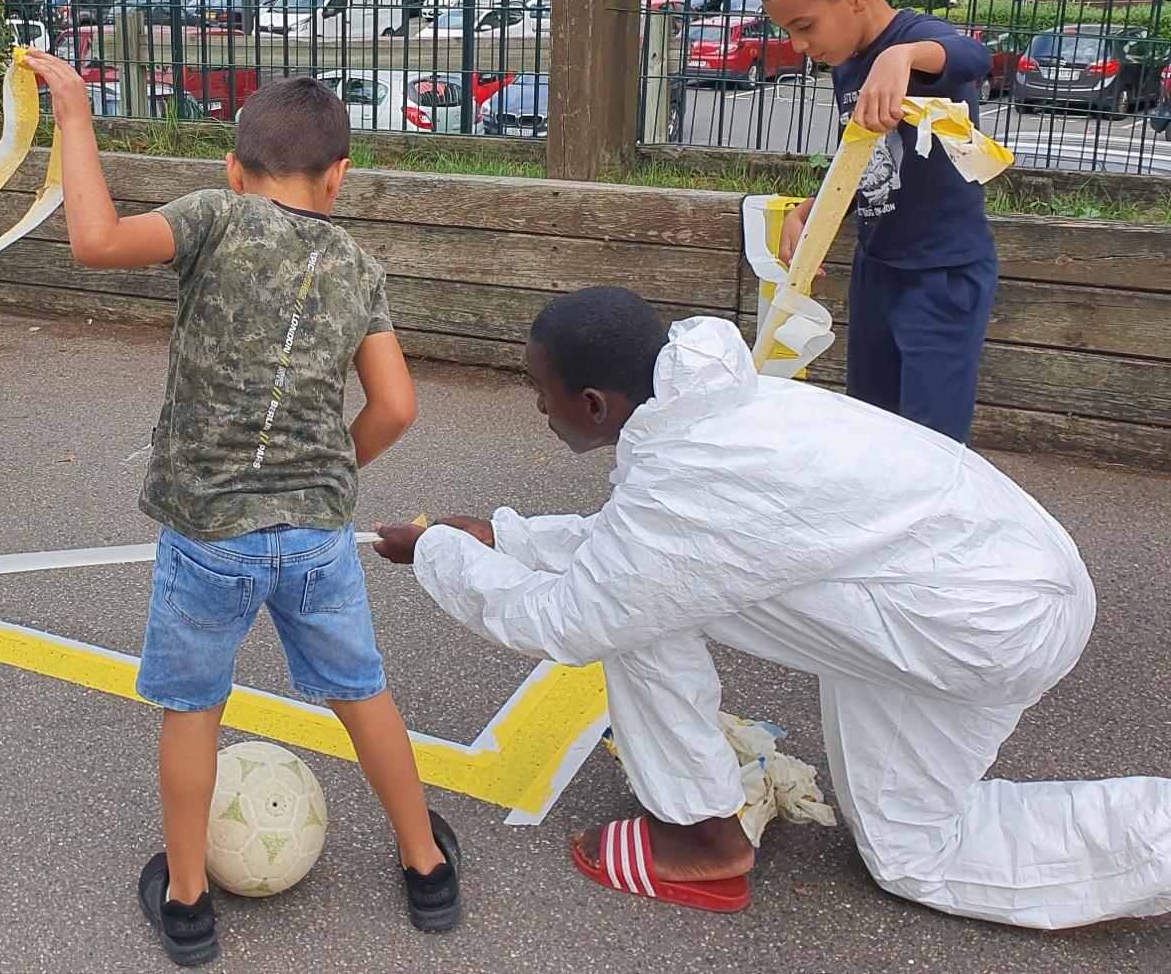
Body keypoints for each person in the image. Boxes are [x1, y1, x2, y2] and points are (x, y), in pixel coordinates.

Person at [375, 286, 1171, 930]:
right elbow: (641, 547)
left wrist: (441, 553)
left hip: (980, 628)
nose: (536, 409)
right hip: (995, 583)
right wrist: (503, 536)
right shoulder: (707, 407)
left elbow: (575, 615)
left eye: (537, 392)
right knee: (909, 854)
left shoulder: (691, 481)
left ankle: (701, 837)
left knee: (627, 613)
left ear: (591, 403)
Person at [22, 52, 460, 967]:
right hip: (315, 536)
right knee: (360, 690)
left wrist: (74, 116)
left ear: (233, 168)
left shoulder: (214, 216)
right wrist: (327, 472)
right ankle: (426, 867)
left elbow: (96, 241)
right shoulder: (358, 265)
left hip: (207, 535)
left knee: (194, 708)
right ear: (340, 177)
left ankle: (188, 904)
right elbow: (396, 407)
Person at [760, 0, 997, 441]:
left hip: (940, 274)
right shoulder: (847, 63)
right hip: (877, 268)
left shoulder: (916, 40)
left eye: (805, 26)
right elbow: (862, 159)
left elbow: (973, 56)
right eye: (789, 33)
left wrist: (901, 57)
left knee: (929, 443)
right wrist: (811, 211)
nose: (799, 46)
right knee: (870, 425)